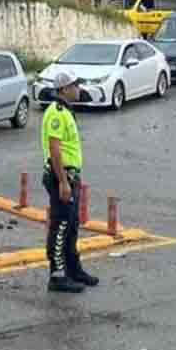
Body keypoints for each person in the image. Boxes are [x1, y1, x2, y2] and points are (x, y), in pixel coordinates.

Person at [40, 72, 99, 294]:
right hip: (60, 176)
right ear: (63, 89)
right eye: (75, 85)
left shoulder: (66, 112)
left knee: (72, 224)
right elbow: (54, 148)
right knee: (61, 225)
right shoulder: (56, 113)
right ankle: (57, 275)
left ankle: (74, 269)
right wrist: (63, 182)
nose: (78, 89)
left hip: (69, 175)